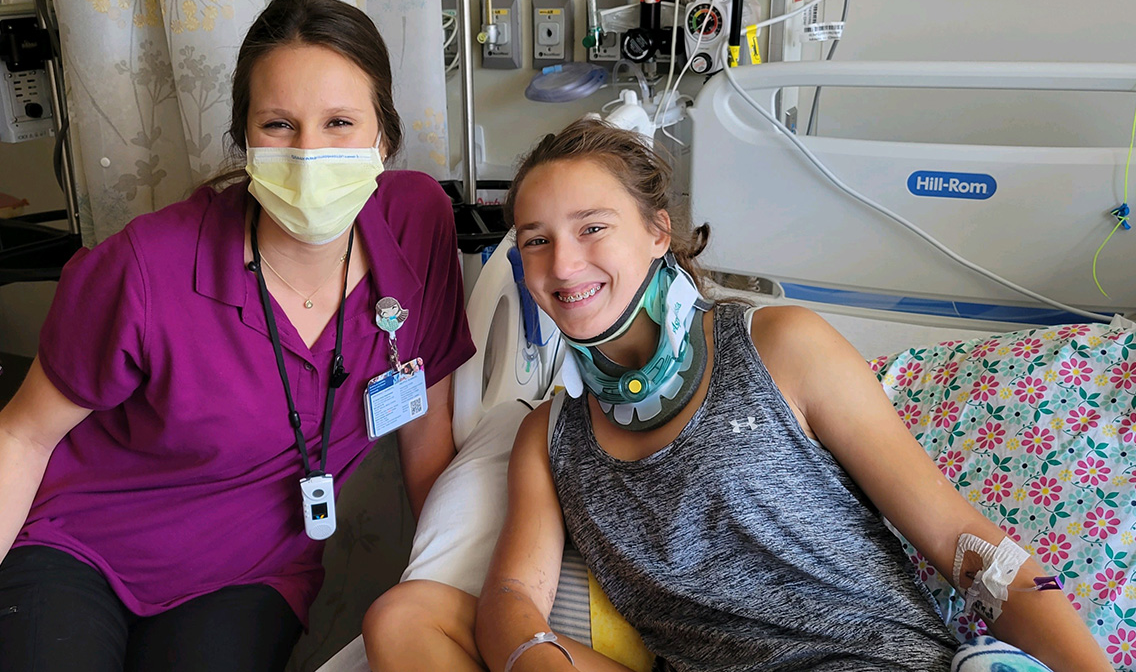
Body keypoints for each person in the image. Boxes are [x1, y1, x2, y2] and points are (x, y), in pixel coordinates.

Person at [362, 119, 1111, 671]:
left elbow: (964, 545)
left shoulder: (778, 347)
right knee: (406, 616)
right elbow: (511, 598)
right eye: (534, 239)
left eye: (593, 227)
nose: (564, 262)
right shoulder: (551, 438)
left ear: (659, 232)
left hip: (867, 662)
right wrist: (534, 658)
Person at [0, 0, 473, 672]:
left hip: (248, 575)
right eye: (279, 124)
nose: (310, 154)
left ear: (384, 138)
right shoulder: (147, 268)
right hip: (81, 548)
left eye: (340, 122)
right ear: (244, 138)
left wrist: (456, 585)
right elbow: (22, 435)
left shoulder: (417, 224)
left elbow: (429, 438)